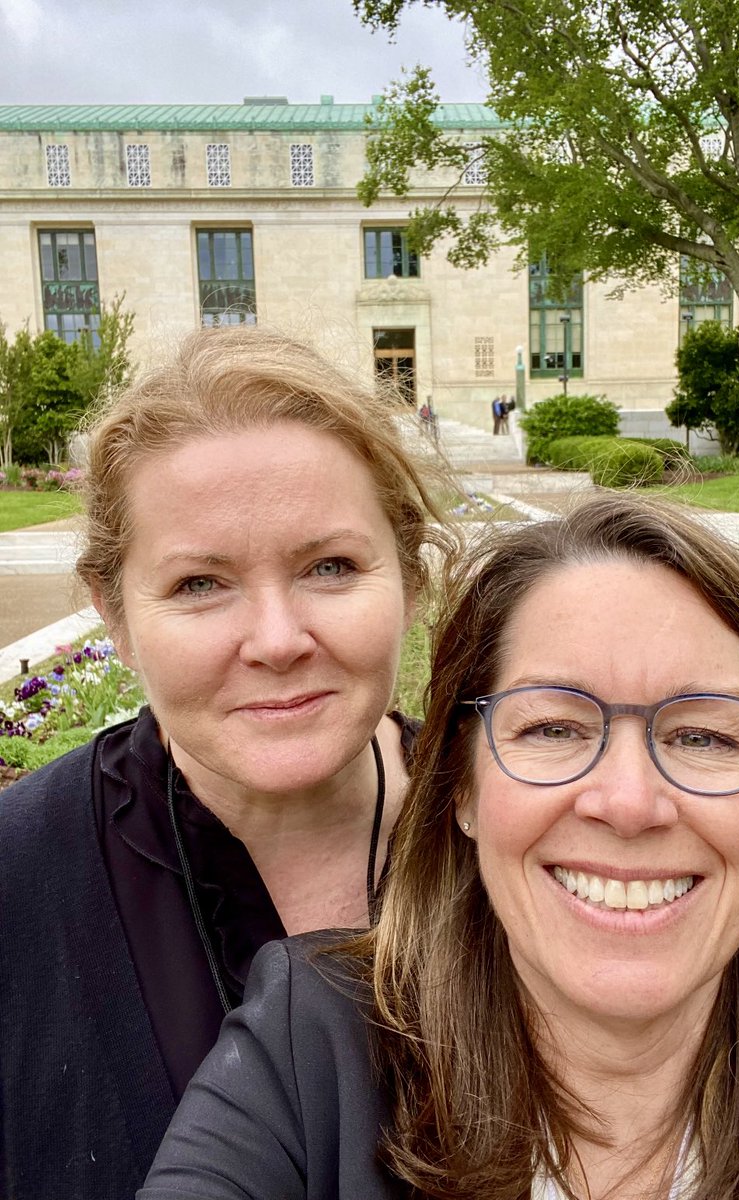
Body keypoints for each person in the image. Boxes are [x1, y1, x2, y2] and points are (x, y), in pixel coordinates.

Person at [140, 493, 739, 1200]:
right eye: (554, 730)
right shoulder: (315, 1049)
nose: (630, 803)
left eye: (702, 735)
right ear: (462, 787)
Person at [0, 325, 450, 1200]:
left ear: (409, 577)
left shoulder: (533, 837)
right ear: (115, 615)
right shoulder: (17, 880)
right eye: (199, 585)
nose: (278, 641)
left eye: (330, 565)